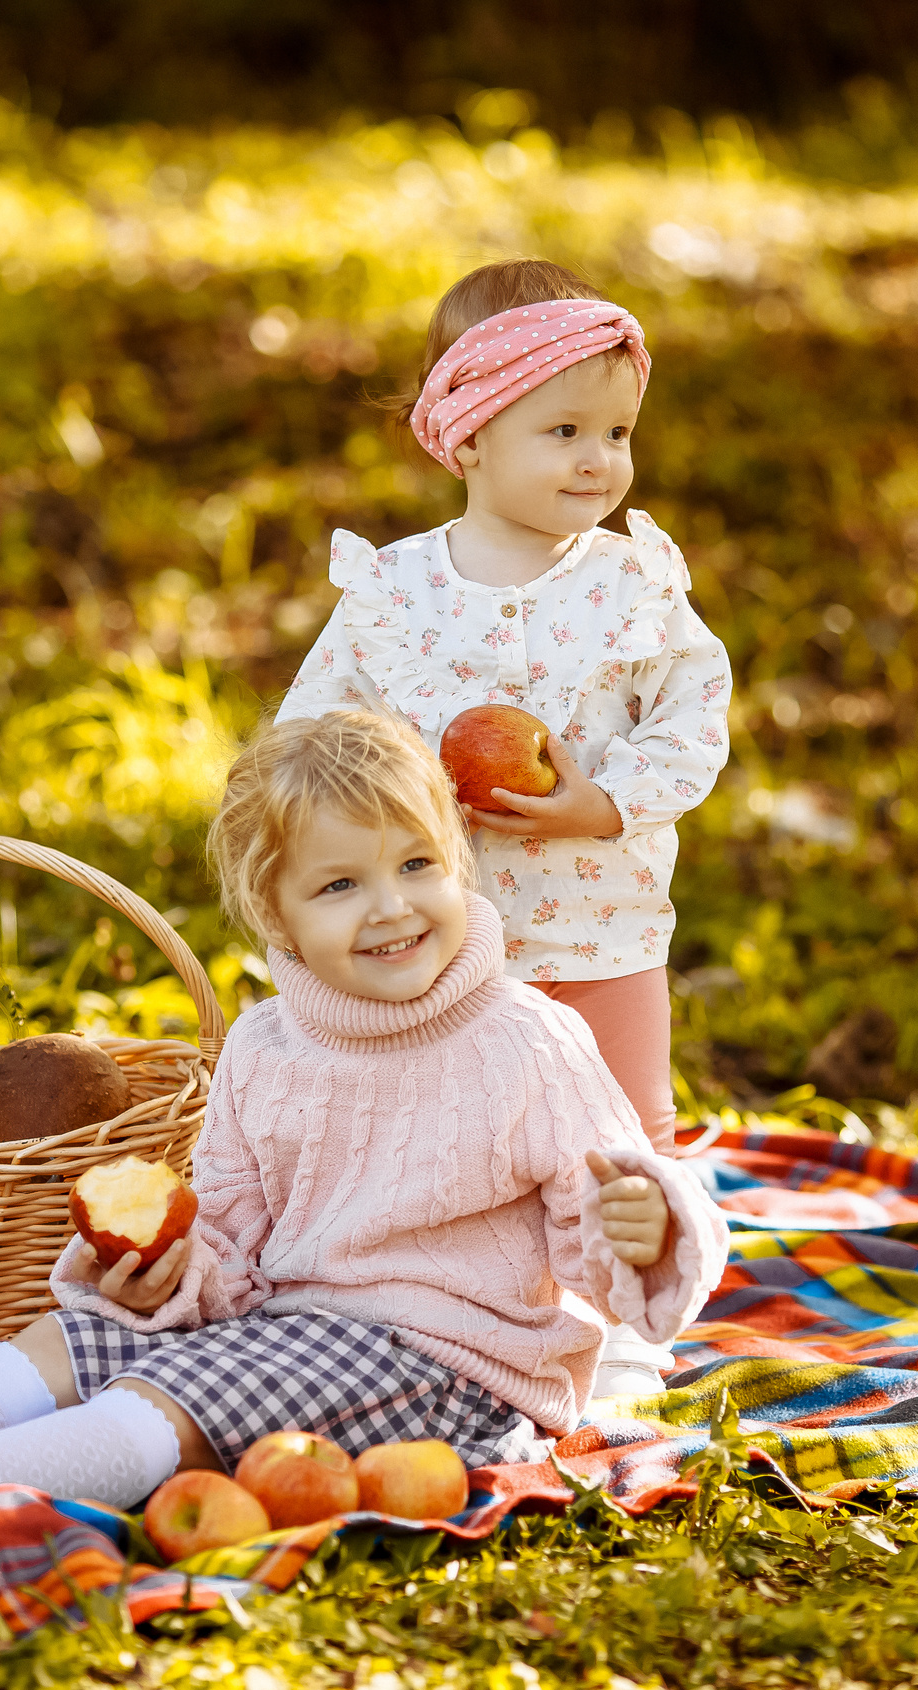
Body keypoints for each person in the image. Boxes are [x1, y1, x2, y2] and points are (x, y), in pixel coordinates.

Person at [0, 712, 727, 1532]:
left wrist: (652, 1223)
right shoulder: (265, 1048)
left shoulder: (523, 1042)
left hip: (456, 1366)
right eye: (342, 884)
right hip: (286, 1321)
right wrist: (172, 1275)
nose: (393, 907)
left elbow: (615, 1217)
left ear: (459, 864)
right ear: (279, 917)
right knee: (86, 1333)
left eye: (417, 868)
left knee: (195, 1390)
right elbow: (234, 1233)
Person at [276, 259, 733, 1393]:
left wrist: (605, 800)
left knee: (624, 1122)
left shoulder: (635, 587)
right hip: (441, 935)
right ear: (468, 436)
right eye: (563, 429)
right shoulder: (394, 595)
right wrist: (379, 813)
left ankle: (623, 1326)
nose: (599, 460)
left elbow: (694, 716)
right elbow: (314, 740)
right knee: (463, 1123)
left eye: (617, 432)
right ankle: (475, 1305)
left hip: (603, 925)